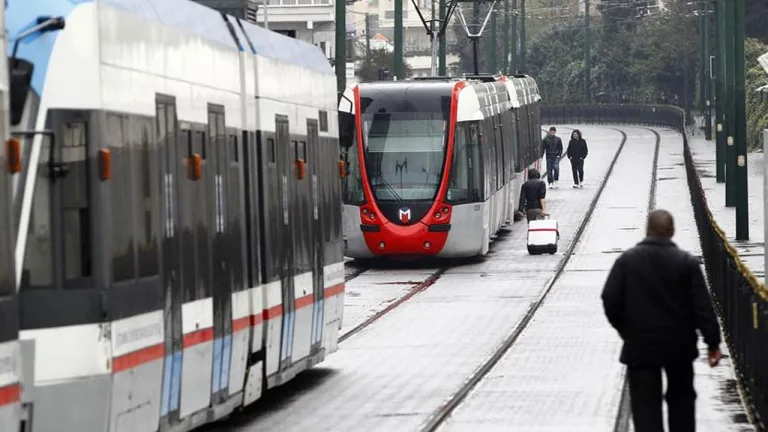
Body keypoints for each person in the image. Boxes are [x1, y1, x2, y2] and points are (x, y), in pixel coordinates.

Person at [601, 210, 723, 432]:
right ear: (672, 231)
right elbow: (702, 307)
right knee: (682, 404)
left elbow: (610, 298)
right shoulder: (686, 263)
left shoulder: (627, 261)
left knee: (645, 409)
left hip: (640, 347)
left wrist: (623, 328)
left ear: (647, 230)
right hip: (680, 348)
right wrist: (713, 343)